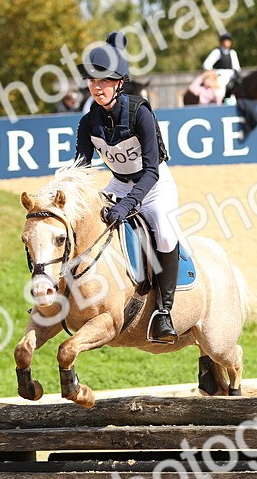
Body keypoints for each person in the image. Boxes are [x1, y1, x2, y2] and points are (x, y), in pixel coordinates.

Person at [75, 31, 180, 344]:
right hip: (118, 184)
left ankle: (164, 310)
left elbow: (151, 172)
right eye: (93, 81)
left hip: (154, 186)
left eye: (105, 81)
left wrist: (127, 204)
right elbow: (81, 167)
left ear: (119, 83)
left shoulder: (140, 113)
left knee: (162, 229)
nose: (97, 87)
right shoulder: (87, 122)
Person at [202, 32, 241, 101]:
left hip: (232, 76)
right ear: (221, 42)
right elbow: (207, 65)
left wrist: (236, 73)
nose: (227, 42)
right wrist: (213, 74)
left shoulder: (233, 52)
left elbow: (237, 67)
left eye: (228, 40)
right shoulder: (217, 52)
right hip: (220, 76)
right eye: (225, 40)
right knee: (221, 88)